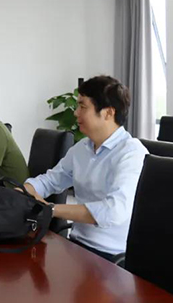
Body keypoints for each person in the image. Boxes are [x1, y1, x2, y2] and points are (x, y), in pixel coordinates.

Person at [24, 76, 148, 261]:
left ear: (108, 113)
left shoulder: (132, 153)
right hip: (76, 246)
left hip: (110, 257)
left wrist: (51, 209)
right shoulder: (82, 148)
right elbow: (50, 180)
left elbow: (113, 211)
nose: (76, 113)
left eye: (83, 107)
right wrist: (26, 189)